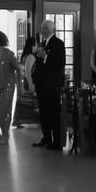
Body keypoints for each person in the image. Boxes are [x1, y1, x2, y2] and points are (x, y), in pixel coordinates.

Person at [32, 20, 65, 150]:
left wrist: (45, 57)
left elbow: (60, 63)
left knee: (53, 114)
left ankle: (56, 142)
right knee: (43, 113)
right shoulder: (43, 43)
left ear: (53, 29)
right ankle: (46, 138)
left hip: (52, 85)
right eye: (42, 28)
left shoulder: (58, 43)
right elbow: (39, 65)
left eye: (46, 28)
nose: (43, 30)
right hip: (42, 84)